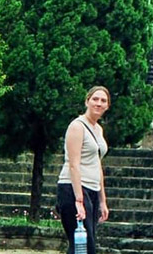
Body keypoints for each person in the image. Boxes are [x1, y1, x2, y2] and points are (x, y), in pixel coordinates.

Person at [56, 86, 110, 254]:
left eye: (103, 101)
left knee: (83, 246)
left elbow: (97, 164)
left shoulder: (98, 129)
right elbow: (74, 164)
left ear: (107, 106)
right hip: (73, 189)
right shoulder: (77, 127)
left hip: (92, 190)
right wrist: (79, 200)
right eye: (95, 99)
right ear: (87, 101)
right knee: (83, 246)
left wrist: (102, 201)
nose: (98, 103)